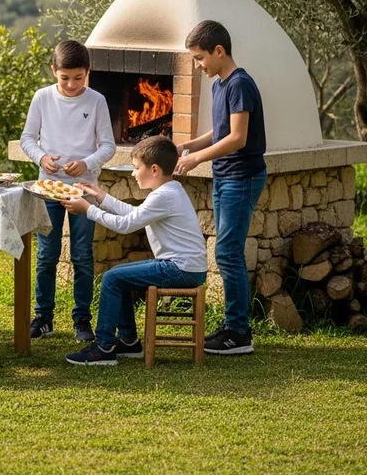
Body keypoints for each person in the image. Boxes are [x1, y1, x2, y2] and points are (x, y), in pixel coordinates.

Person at [62, 136, 207, 366]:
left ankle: (104, 348)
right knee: (119, 277)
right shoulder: (169, 190)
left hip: (181, 269)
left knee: (112, 278)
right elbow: (133, 214)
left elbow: (125, 225)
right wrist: (101, 196)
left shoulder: (163, 196)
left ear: (155, 169)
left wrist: (88, 209)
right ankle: (129, 341)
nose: (133, 173)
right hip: (187, 267)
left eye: (136, 168)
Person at [173, 19, 266, 355]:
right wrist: (188, 146)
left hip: (242, 176)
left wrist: (197, 160)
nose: (198, 66)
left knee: (227, 252)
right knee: (226, 252)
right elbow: (221, 131)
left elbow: (238, 138)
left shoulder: (240, 84)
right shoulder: (220, 84)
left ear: (219, 50)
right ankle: (232, 326)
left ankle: (239, 333)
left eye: (200, 58)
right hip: (225, 176)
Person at [20, 39, 116, 342]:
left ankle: (82, 319)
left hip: (83, 188)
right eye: (65, 78)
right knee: (47, 254)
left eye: (78, 77)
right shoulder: (42, 97)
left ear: (87, 72)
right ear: (54, 71)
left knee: (82, 255)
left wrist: (86, 163)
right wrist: (41, 158)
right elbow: (27, 139)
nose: (72, 84)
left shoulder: (97, 101)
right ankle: (43, 316)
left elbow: (109, 146)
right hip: (48, 188)